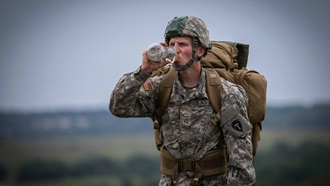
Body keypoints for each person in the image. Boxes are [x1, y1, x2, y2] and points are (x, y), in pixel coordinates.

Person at [109, 16, 256, 186]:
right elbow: (118, 107)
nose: (175, 50)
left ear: (199, 50)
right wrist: (143, 71)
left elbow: (241, 162)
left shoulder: (226, 93)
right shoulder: (160, 87)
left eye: (183, 44)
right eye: (172, 44)